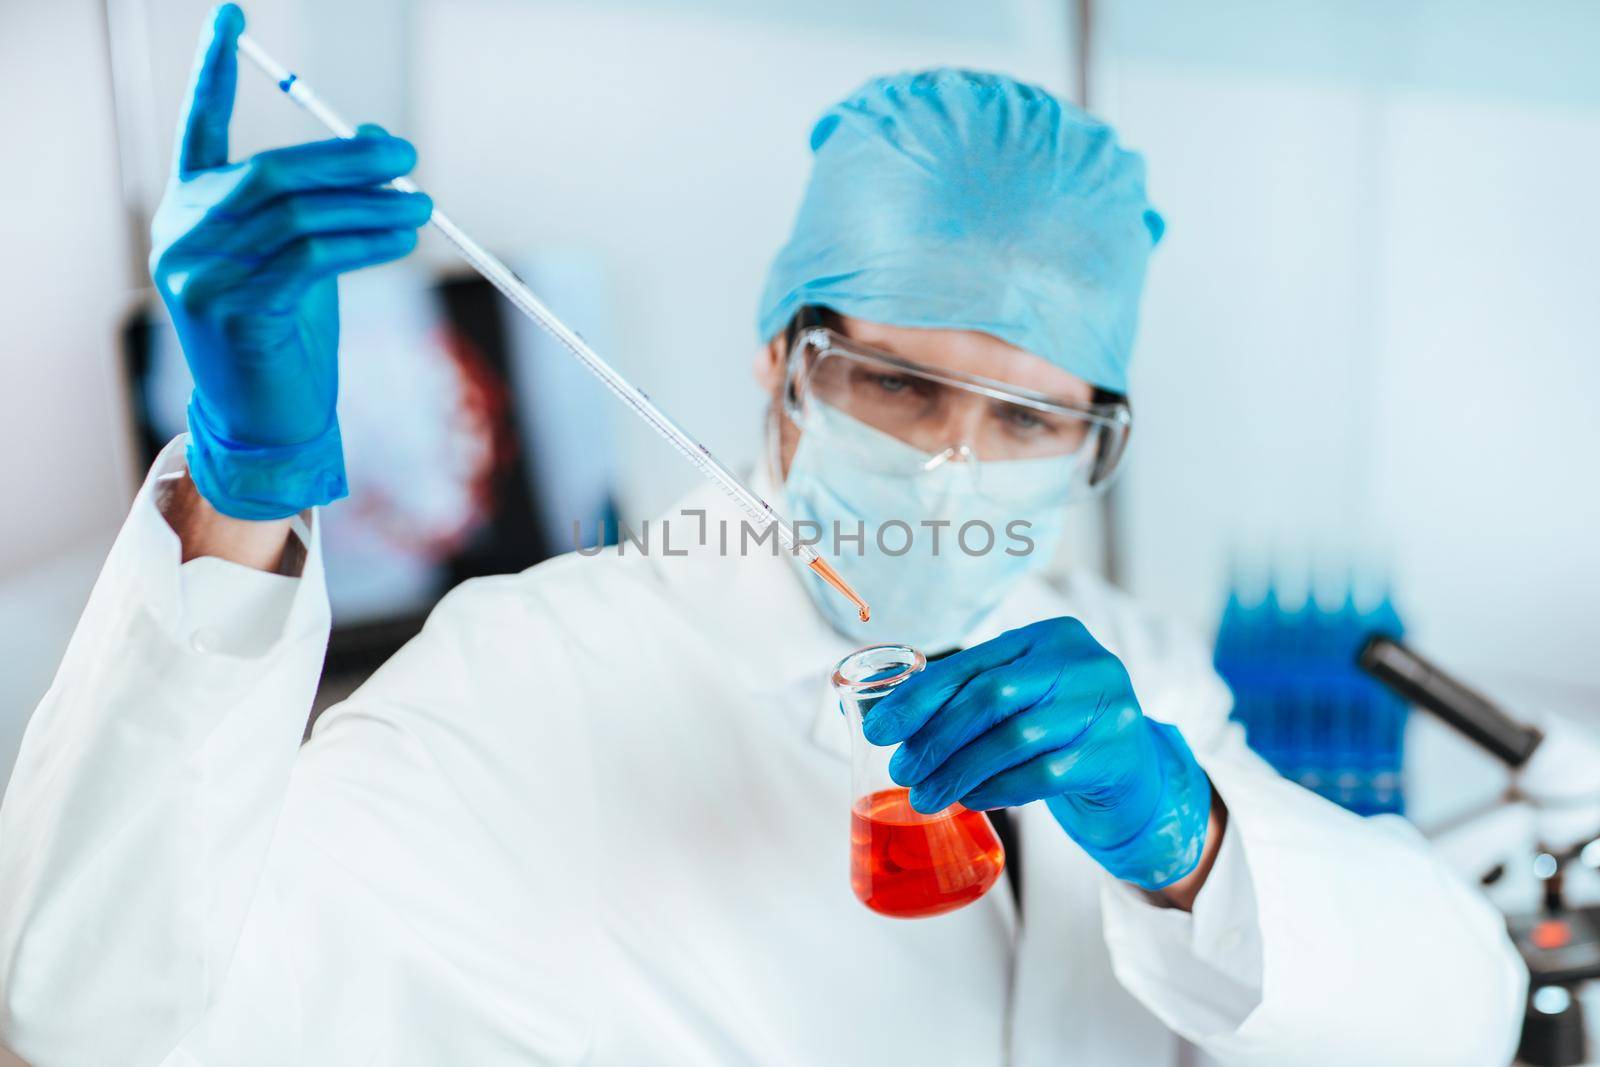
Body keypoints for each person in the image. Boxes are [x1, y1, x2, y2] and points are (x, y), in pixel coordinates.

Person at [0, 6, 1524, 1065]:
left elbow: (1457, 1014)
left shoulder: (1112, 668)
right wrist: (247, 485)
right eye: (898, 384)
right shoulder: (533, 684)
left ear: (1096, 437)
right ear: (777, 364)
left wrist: (1192, 843)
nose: (953, 464)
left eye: (1030, 421)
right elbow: (96, 1021)